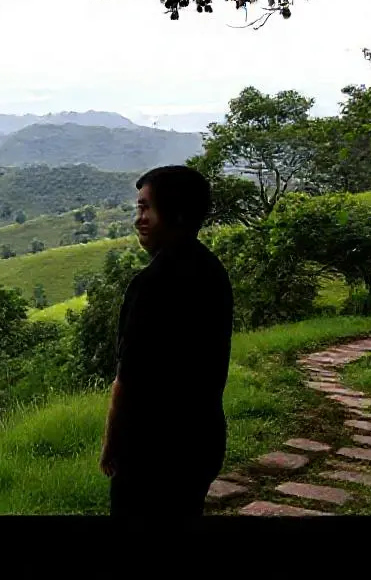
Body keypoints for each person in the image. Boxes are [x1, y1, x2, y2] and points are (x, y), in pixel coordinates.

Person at [99, 165, 234, 518]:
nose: (138, 219)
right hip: (202, 440)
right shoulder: (213, 271)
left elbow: (127, 379)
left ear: (176, 213)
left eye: (146, 208)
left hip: (151, 452)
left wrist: (112, 444)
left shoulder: (150, 285)